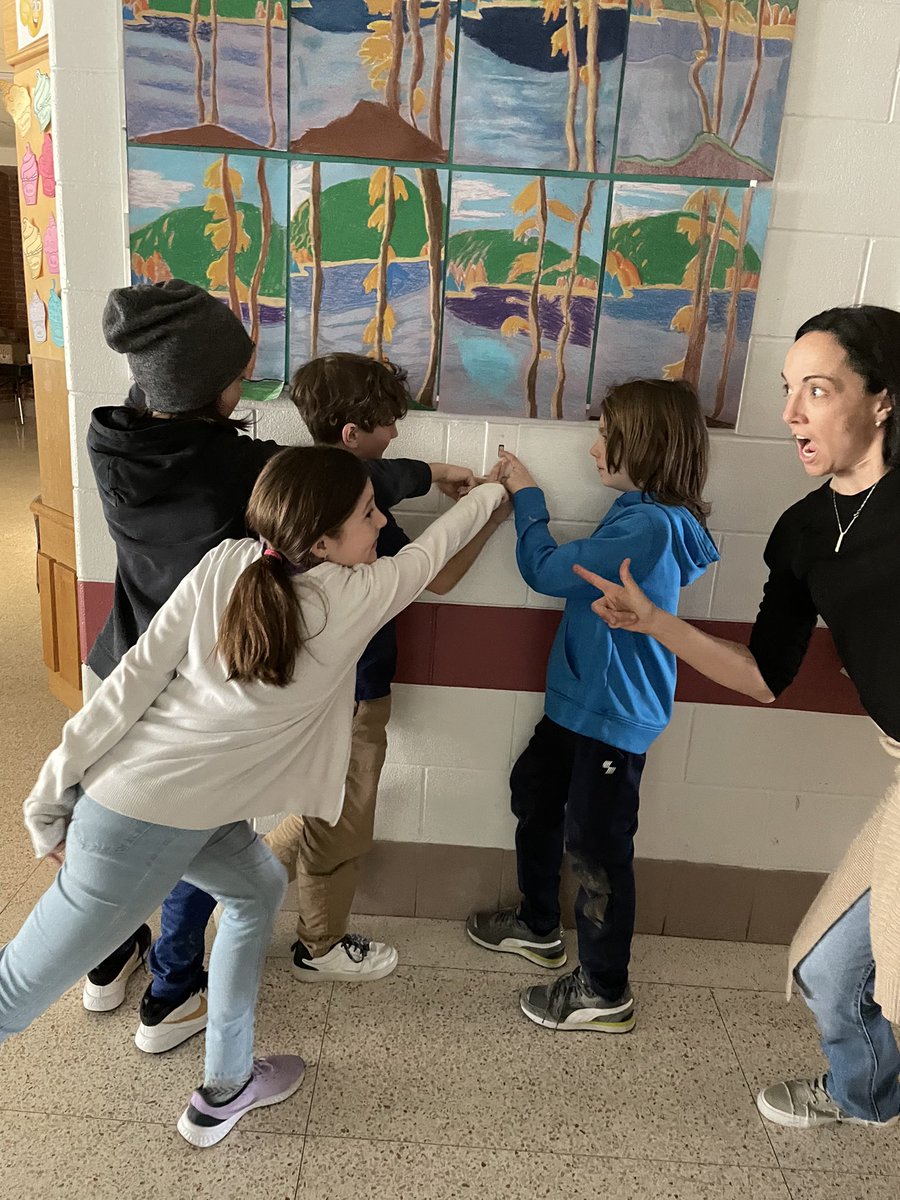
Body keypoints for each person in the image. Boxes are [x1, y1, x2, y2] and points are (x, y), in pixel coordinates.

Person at [0, 445, 508, 1147]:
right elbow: (437, 547)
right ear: (322, 540)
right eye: (368, 514)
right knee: (10, 997)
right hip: (131, 821)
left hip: (187, 809)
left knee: (254, 889)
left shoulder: (228, 561)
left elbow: (129, 681)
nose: (383, 520)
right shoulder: (353, 598)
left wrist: (57, 781)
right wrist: (498, 489)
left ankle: (226, 1087)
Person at [81, 282, 481, 1054]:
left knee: (127, 828)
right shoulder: (227, 470)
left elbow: (279, 452)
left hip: (122, 660)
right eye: (238, 373)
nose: (249, 382)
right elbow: (321, 479)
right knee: (201, 829)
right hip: (199, 684)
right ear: (204, 387)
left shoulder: (116, 439)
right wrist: (435, 476)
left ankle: (104, 964)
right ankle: (170, 994)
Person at [575, 306, 900, 1128]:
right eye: (789, 391)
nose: (791, 414)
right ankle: (869, 1097)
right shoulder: (802, 532)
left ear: (883, 399)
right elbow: (763, 677)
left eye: (817, 391)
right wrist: (654, 621)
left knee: (888, 975)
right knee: (830, 970)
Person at [467, 380, 718, 1033]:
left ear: (647, 445)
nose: (593, 447)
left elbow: (549, 570)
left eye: (606, 435)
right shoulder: (638, 513)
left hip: (610, 716)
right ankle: (538, 923)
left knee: (597, 851)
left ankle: (605, 990)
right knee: (536, 791)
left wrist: (528, 498)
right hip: (581, 705)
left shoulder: (648, 527)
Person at [262, 353, 510, 985]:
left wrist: (438, 473)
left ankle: (238, 883)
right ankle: (318, 946)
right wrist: (491, 507)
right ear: (351, 437)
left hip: (302, 694)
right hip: (354, 694)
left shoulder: (304, 484)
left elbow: (392, 472)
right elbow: (442, 572)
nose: (398, 432)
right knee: (345, 822)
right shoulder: (359, 521)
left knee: (323, 803)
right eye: (389, 423)